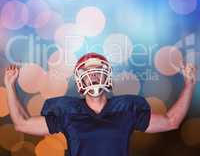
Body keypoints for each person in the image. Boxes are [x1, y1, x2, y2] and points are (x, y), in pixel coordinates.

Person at [4, 52, 196, 156]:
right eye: (89, 72)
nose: (93, 75)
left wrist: (189, 84)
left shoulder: (126, 110)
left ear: (107, 76)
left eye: (97, 70)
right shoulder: (67, 112)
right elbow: (22, 123)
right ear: (80, 80)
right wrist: (10, 86)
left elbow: (172, 121)